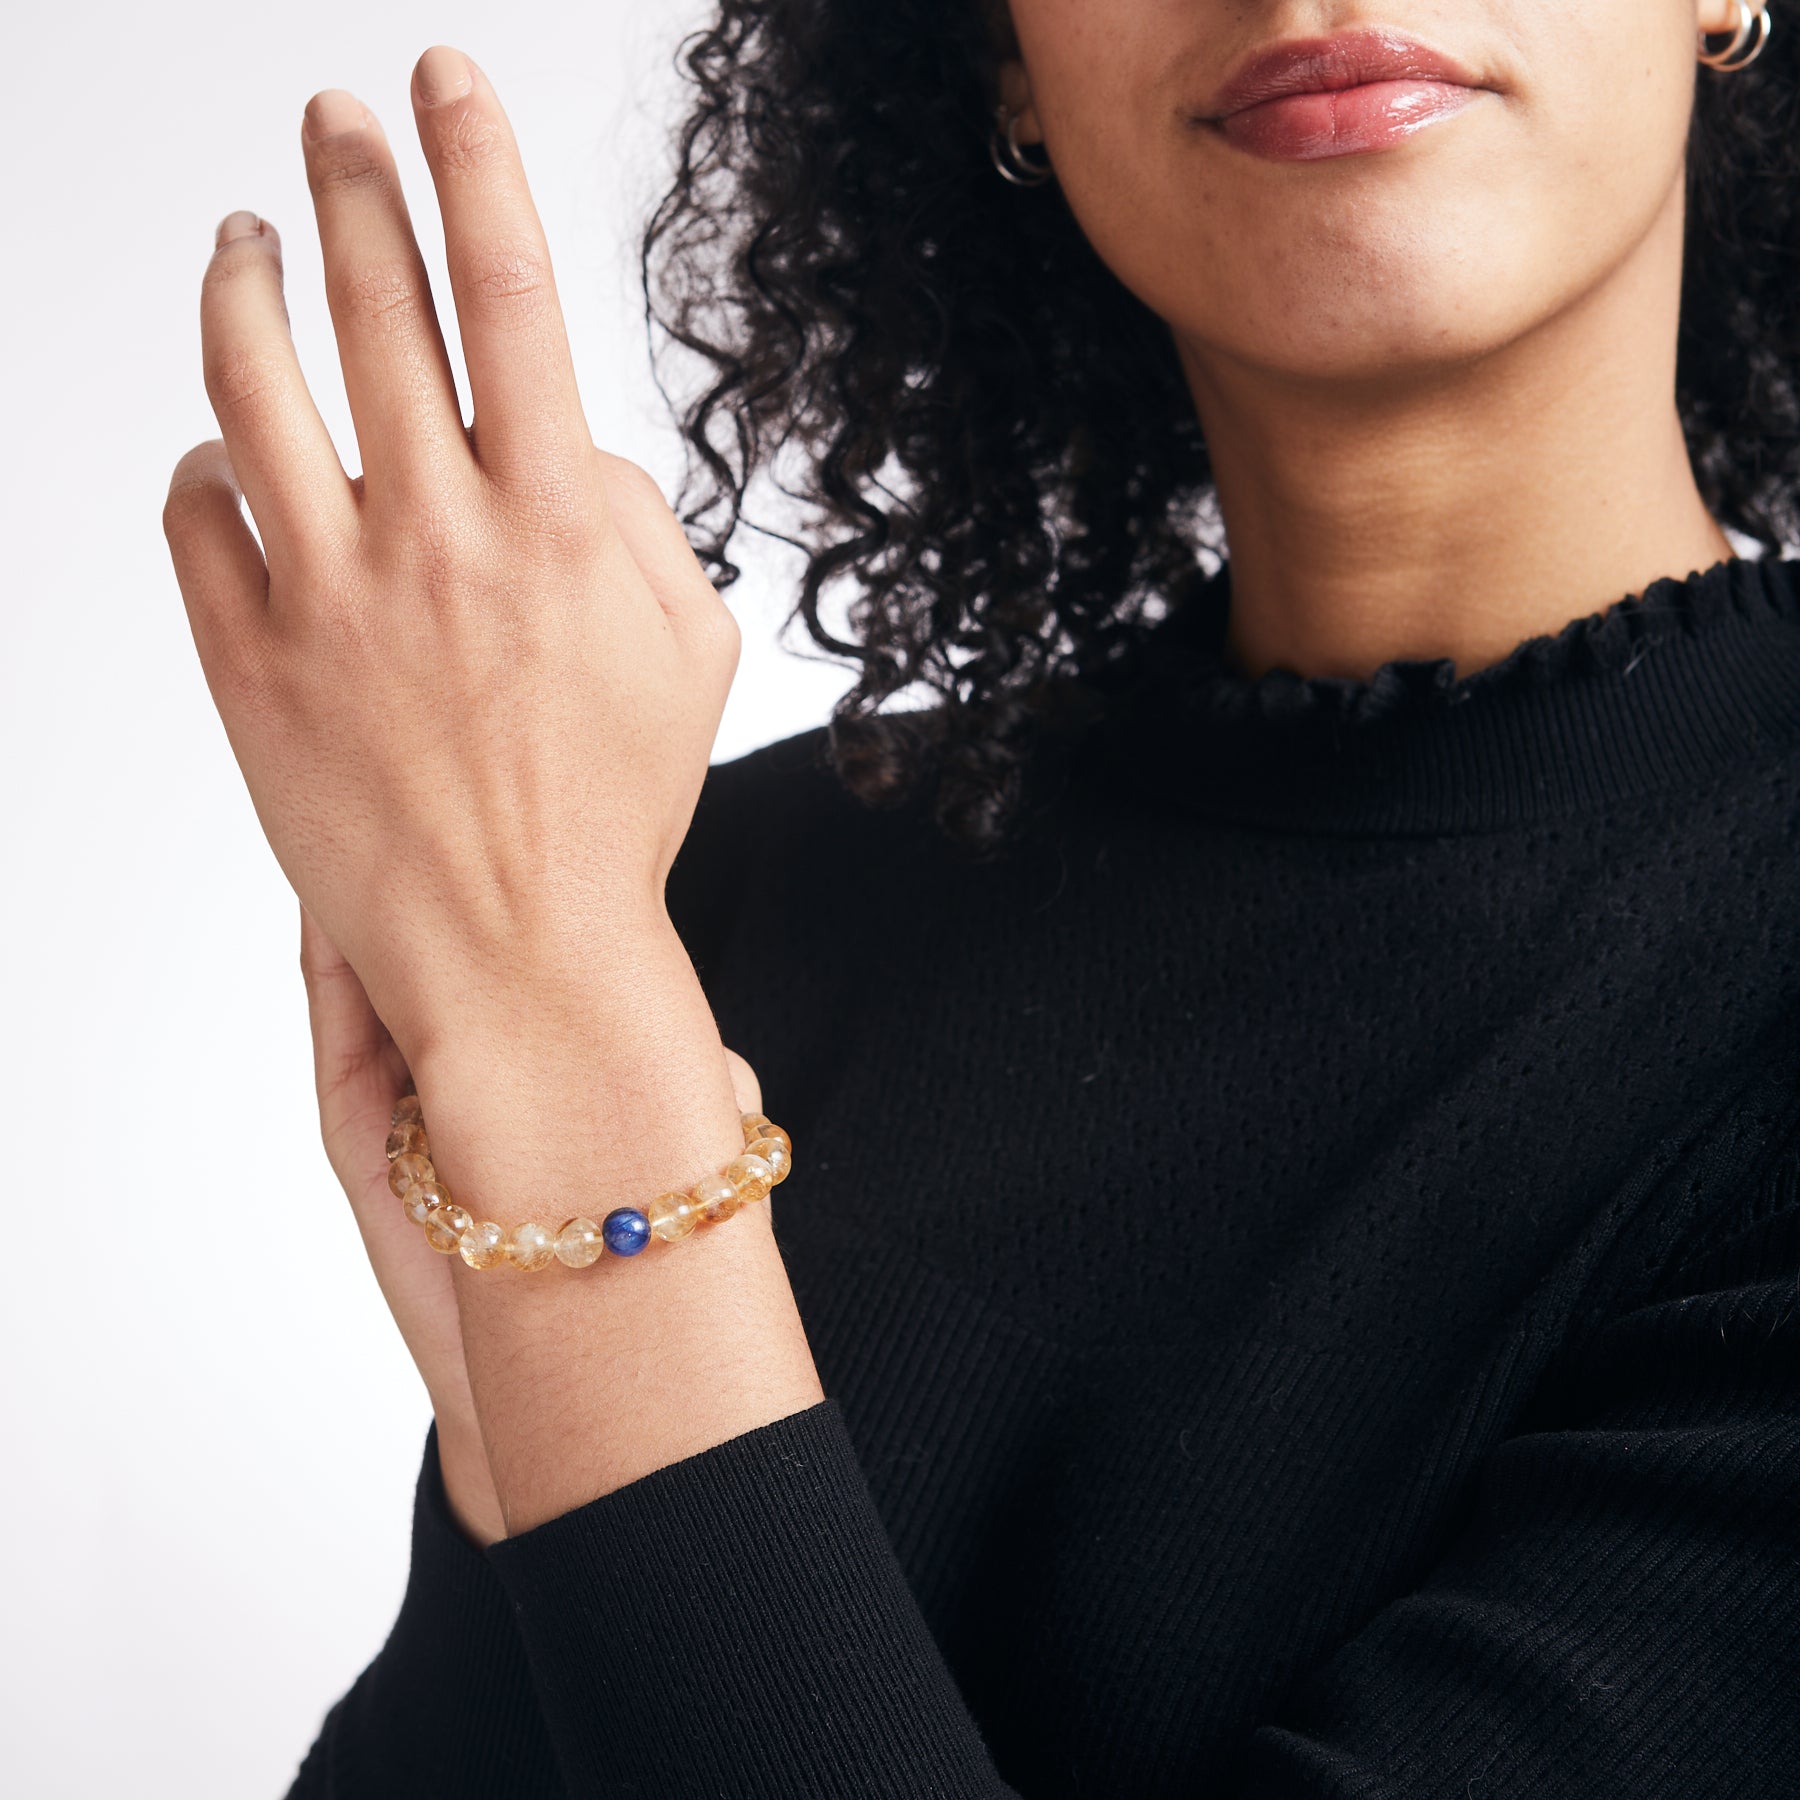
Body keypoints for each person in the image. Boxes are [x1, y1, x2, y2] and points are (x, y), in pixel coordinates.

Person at [160, 4, 1800, 1794]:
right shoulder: (705, 907)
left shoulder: (581, 967)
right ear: (1003, 54)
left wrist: (577, 1113)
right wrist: (518, 1469)